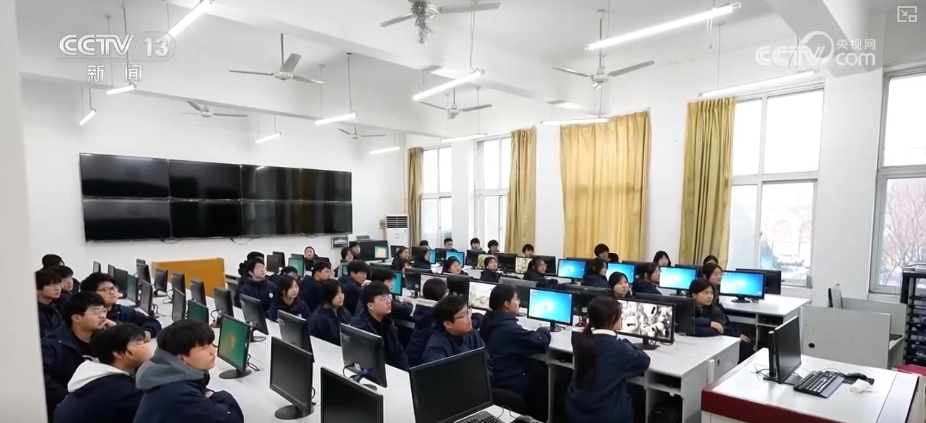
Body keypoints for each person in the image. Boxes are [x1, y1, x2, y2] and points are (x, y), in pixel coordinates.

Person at [134, 320, 244, 423]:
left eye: (212, 344)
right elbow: (232, 419)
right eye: (204, 347)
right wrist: (221, 396)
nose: (213, 351)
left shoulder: (165, 376)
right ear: (182, 358)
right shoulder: (181, 395)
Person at [566, 297, 651, 423]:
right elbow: (644, 361)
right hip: (606, 414)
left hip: (576, 408)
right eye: (620, 315)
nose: (622, 318)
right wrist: (625, 342)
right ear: (612, 318)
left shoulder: (579, 339)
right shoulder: (617, 348)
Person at [54, 324, 151, 423]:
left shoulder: (96, 377)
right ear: (118, 353)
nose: (146, 347)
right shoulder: (118, 389)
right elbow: (156, 406)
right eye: (139, 343)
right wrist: (152, 362)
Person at [480, 285, 551, 402]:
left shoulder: (488, 319)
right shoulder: (509, 329)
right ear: (507, 304)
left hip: (493, 377)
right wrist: (543, 330)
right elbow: (541, 342)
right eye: (516, 299)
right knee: (542, 379)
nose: (519, 302)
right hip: (508, 381)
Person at [43, 292, 108, 419]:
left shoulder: (104, 337)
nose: (103, 316)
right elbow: (43, 379)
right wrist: (68, 398)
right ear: (76, 318)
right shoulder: (53, 345)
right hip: (70, 409)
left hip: (98, 400)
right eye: (96, 312)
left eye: (103, 311)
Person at [80, 273, 161, 339]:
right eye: (106, 290)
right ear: (91, 293)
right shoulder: (89, 318)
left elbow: (152, 322)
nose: (112, 292)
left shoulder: (122, 311)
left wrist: (148, 331)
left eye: (113, 288)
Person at [350, 282, 409, 370]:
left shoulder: (388, 323)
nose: (389, 302)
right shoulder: (360, 329)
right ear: (371, 305)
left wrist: (406, 373)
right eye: (383, 299)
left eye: (389, 297)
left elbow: (399, 354)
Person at [689, 279, 752, 361]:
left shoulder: (714, 309)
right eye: (705, 293)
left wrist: (692, 326)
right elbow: (681, 323)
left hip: (716, 340)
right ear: (694, 295)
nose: (710, 296)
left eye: (711, 293)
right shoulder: (684, 307)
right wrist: (708, 322)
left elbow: (719, 329)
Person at [422, 295, 490, 366]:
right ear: (448, 324)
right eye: (463, 315)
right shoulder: (436, 348)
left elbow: (487, 363)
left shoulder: (473, 334)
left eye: (468, 312)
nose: (469, 317)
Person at [407, 278, 448, 366]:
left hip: (413, 352)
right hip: (426, 358)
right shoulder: (438, 313)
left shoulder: (420, 308)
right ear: (441, 295)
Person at [308, 280, 352, 346]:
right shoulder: (319, 319)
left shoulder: (345, 313)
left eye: (342, 292)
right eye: (337, 294)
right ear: (327, 295)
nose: (341, 297)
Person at [37, 268, 64, 338]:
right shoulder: (34, 312)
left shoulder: (54, 309)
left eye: (58, 284)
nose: (57, 288)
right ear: (38, 288)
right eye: (52, 285)